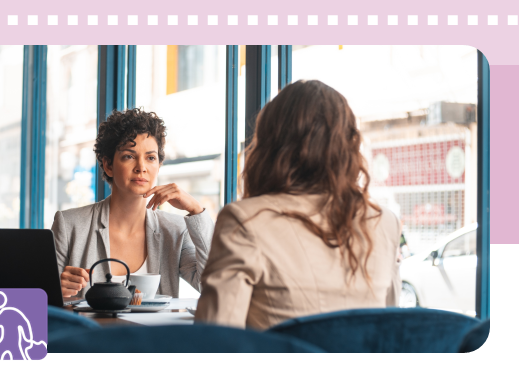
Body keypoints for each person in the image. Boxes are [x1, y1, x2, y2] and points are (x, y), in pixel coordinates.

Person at [195, 80, 402, 330]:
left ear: (270, 144)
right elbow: (391, 329)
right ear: (347, 146)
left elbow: (216, 342)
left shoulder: (245, 220)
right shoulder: (384, 223)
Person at [52, 108, 213, 299]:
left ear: (158, 166)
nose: (141, 168)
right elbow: (34, 303)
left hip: (151, 330)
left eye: (151, 158)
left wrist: (196, 210)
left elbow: (213, 287)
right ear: (108, 165)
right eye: (129, 156)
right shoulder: (70, 224)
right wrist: (52, 291)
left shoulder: (175, 230)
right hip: (91, 329)